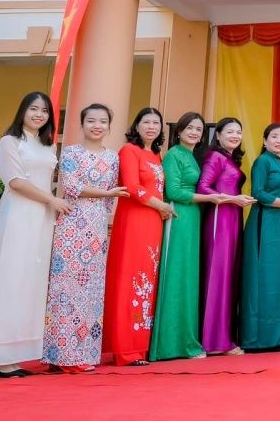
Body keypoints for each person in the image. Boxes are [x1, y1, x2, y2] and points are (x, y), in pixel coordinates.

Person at [0, 92, 66, 376]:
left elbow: (49, 181)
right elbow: (16, 181)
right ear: (22, 111)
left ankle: (16, 354)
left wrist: (55, 203)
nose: (39, 115)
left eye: (44, 111)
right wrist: (51, 200)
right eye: (33, 109)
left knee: (30, 284)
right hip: (18, 216)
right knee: (10, 281)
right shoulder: (9, 142)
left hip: (42, 218)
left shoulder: (48, 146)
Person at [43, 103, 126, 373]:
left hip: (97, 229)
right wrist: (106, 194)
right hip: (71, 225)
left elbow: (110, 195)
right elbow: (71, 187)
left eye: (103, 121)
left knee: (91, 292)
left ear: (109, 126)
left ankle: (82, 354)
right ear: (82, 124)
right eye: (91, 121)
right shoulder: (70, 152)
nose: (97, 126)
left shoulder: (112, 157)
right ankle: (61, 355)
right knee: (65, 290)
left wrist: (106, 198)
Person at [151, 113, 234, 361]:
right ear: (179, 131)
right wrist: (210, 197)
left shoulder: (192, 156)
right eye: (189, 128)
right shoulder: (174, 155)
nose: (194, 132)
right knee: (176, 276)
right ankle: (169, 345)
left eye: (198, 129)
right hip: (178, 215)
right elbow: (173, 191)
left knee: (188, 277)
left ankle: (186, 340)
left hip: (193, 216)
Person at [104, 107, 176, 366]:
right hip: (134, 220)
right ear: (136, 125)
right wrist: (161, 205)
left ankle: (140, 347)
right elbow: (132, 187)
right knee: (130, 279)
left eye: (156, 123)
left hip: (153, 222)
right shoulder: (129, 151)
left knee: (146, 280)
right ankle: (125, 349)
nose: (151, 126)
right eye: (146, 122)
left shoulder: (156, 155)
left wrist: (161, 209)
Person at [240, 124, 280, 352]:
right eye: (274, 136)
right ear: (265, 140)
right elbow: (258, 193)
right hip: (264, 221)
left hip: (279, 221)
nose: (279, 140)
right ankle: (255, 339)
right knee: (262, 277)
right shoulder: (263, 162)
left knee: (276, 277)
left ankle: (274, 339)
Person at [197, 118, 254, 356]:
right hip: (219, 219)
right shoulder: (215, 157)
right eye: (229, 131)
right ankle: (213, 341)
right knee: (217, 276)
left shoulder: (230, 159)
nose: (235, 135)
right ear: (218, 135)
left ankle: (223, 337)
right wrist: (233, 199)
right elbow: (203, 187)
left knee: (228, 276)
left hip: (232, 219)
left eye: (238, 131)